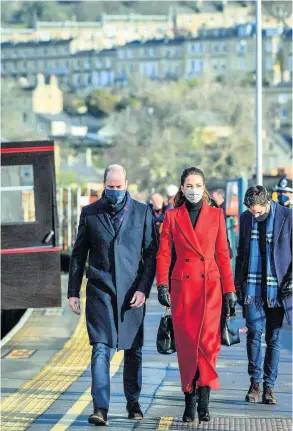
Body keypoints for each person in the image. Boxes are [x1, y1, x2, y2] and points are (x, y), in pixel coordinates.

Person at [68, 164, 158, 426]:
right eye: (111, 187)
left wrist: (143, 288)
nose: (115, 191)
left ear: (127, 184)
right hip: (100, 292)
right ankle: (101, 408)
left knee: (133, 350)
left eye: (119, 187)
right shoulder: (90, 213)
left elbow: (152, 253)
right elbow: (78, 254)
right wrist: (73, 292)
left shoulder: (142, 213)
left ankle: (133, 402)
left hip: (132, 294)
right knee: (100, 349)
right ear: (103, 185)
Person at [156, 167, 237, 424]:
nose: (193, 189)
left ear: (204, 187)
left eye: (198, 184)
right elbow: (164, 254)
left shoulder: (216, 216)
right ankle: (189, 400)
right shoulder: (172, 217)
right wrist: (162, 286)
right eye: (189, 185)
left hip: (210, 288)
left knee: (208, 346)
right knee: (188, 347)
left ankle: (204, 402)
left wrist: (230, 291)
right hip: (183, 289)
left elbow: (223, 255)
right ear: (182, 188)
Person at [235, 186, 292, 405]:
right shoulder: (246, 218)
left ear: (267, 202)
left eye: (258, 211)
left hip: (277, 288)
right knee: (253, 334)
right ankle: (255, 382)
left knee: (274, 339)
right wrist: (237, 284)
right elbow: (241, 252)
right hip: (252, 287)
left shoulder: (288, 216)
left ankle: (270, 386)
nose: (254, 215)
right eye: (251, 211)